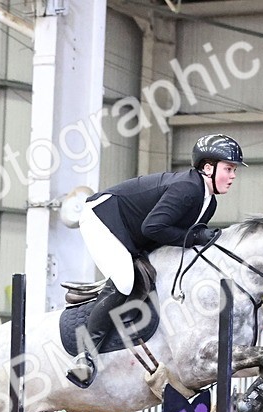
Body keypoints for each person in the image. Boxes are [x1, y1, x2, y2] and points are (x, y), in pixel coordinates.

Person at [67, 133, 245, 387]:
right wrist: (195, 236)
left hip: (132, 232)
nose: (233, 175)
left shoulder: (209, 202)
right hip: (103, 217)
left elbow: (169, 235)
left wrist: (196, 236)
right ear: (208, 167)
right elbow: (154, 227)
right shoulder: (188, 189)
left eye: (234, 170)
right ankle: (85, 356)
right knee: (125, 280)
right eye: (228, 168)